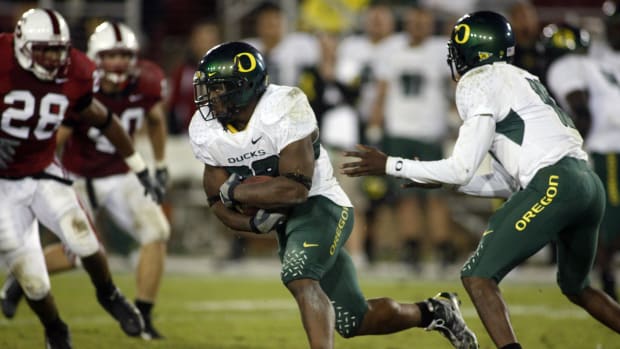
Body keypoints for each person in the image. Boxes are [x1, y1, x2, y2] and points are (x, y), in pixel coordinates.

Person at [342, 11, 620, 349]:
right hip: (587, 184)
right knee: (578, 287)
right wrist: (442, 180)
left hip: (555, 182)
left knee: (478, 275)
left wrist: (390, 165)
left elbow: (462, 167)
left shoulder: (478, 81)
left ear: (471, 51)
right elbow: (504, 181)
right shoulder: (522, 77)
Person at [188, 41, 478, 349]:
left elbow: (296, 190)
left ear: (245, 86)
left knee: (300, 276)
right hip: (288, 224)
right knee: (356, 320)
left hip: (321, 205)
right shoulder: (206, 130)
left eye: (219, 88)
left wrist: (240, 191)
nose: (212, 98)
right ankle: (436, 311)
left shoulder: (283, 106)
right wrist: (252, 225)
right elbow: (216, 202)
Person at [0, 8, 161, 347]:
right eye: (43, 49)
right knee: (34, 281)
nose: (53, 58)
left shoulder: (76, 72)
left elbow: (104, 119)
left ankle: (109, 294)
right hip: (5, 182)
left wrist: (142, 167)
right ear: (20, 45)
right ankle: (55, 328)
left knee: (83, 237)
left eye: (59, 49)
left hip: (44, 169)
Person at [369, 5, 456, 269]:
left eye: (424, 22)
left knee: (434, 195)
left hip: (430, 133)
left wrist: (456, 114)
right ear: (406, 23)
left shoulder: (443, 50)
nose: (419, 27)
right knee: (406, 195)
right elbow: (382, 90)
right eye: (414, 22)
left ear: (431, 25)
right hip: (399, 132)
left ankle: (442, 247)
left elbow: (457, 84)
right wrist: (375, 125)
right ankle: (411, 247)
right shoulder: (390, 49)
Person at [544, 6, 620, 301]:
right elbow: (585, 109)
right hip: (609, 147)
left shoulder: (572, 66)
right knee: (608, 220)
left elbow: (582, 111)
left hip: (607, 146)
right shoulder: (595, 62)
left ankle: (601, 277)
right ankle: (601, 277)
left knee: (607, 222)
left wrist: (573, 149)